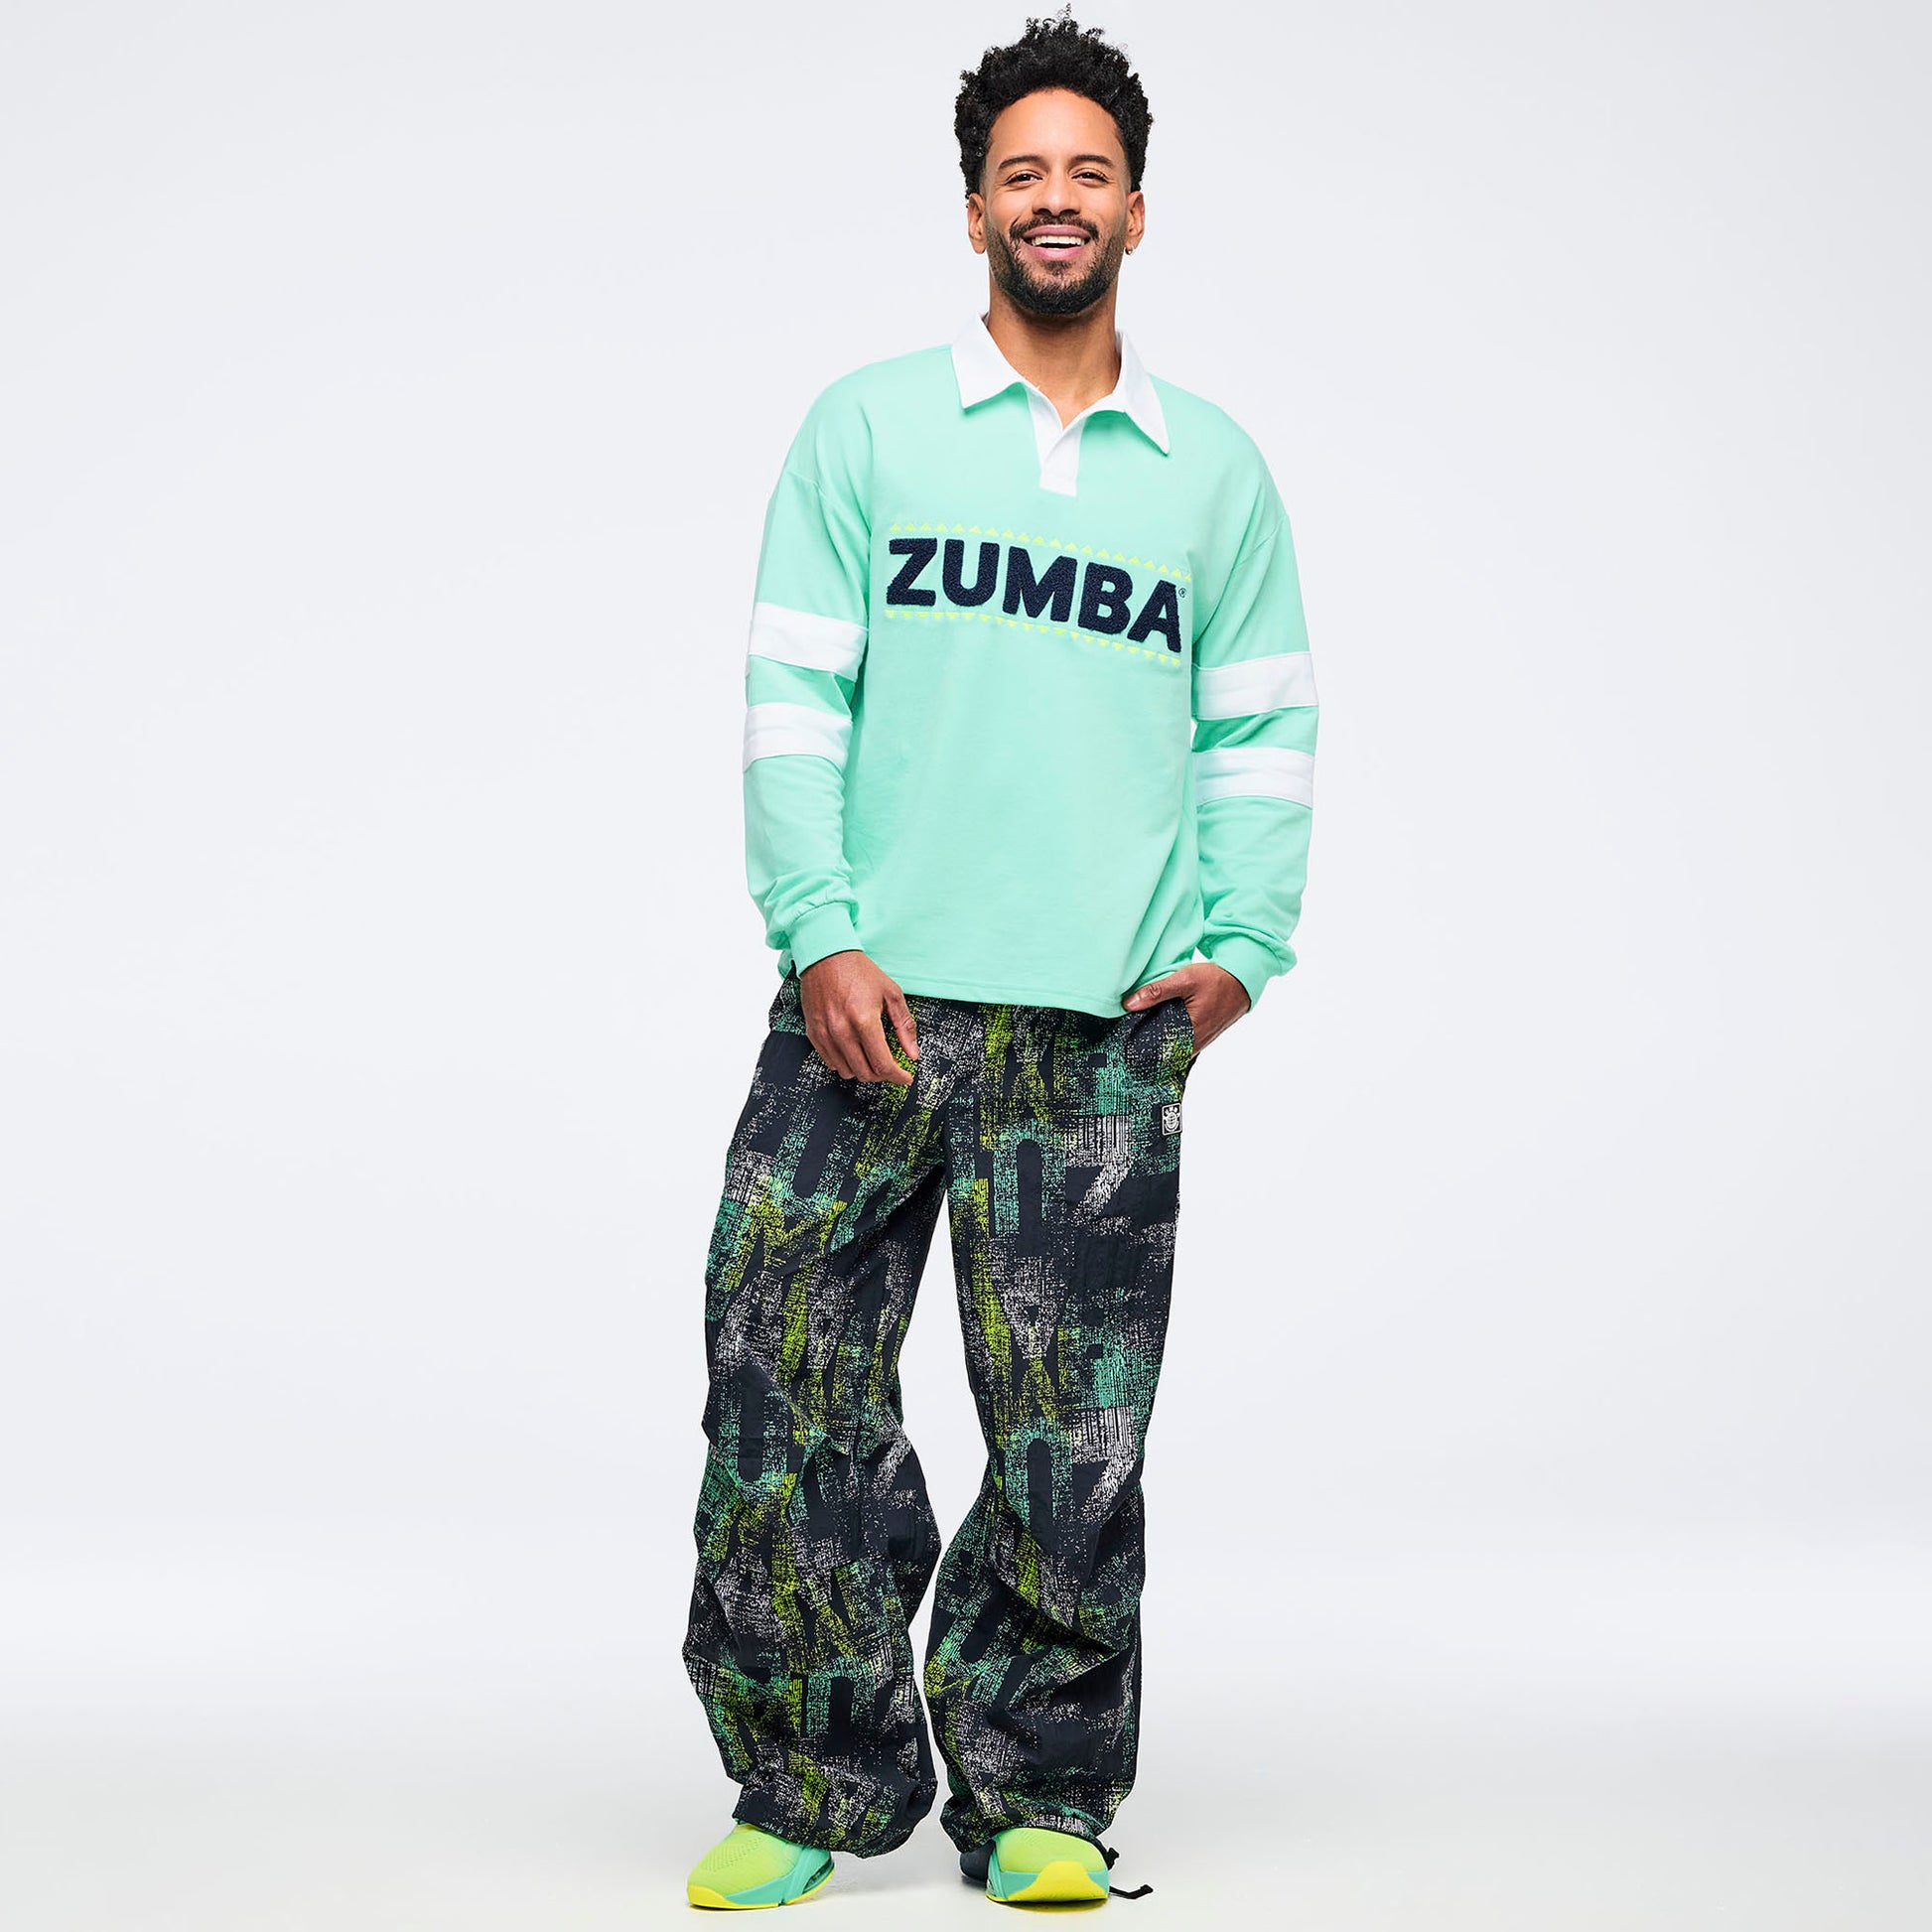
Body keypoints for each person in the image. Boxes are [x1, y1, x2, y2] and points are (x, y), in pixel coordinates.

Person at [679, 6, 1318, 1910]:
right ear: (973, 211)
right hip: (866, 1003)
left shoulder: (1210, 473)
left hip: (1102, 1023)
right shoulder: (868, 428)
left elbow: (1259, 728)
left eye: (1087, 173)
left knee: (1070, 1431)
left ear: (1136, 210)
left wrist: (1242, 947)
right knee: (780, 1369)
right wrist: (818, 931)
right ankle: (809, 1778)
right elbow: (792, 700)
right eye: (1021, 172)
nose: (1056, 198)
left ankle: (1038, 1794)